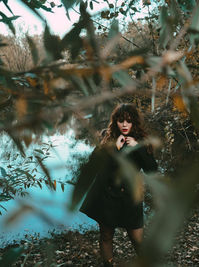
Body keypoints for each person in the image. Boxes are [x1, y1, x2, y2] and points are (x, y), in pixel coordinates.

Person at [72, 103, 157, 267]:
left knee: (137, 239)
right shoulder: (107, 137)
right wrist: (115, 148)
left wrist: (138, 148)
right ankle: (108, 263)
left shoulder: (142, 141)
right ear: (115, 121)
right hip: (107, 195)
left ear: (134, 123)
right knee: (105, 235)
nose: (124, 125)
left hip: (130, 196)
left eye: (129, 121)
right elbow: (94, 164)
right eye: (121, 120)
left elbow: (152, 170)